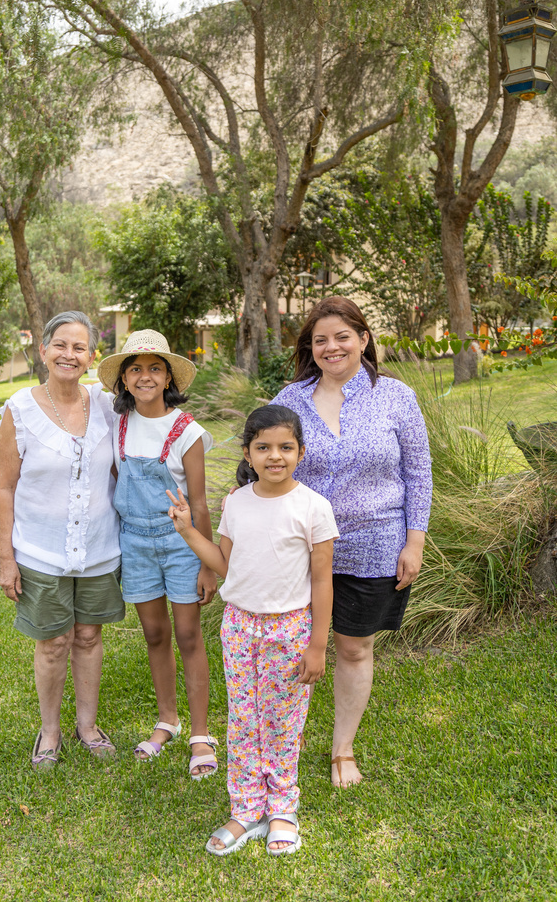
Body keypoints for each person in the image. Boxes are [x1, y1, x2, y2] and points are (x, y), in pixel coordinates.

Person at [272, 296, 432, 788]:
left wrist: (415, 542)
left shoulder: (396, 397)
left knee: (354, 647)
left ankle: (343, 749)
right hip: (300, 547)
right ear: (310, 348)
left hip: (377, 543)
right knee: (289, 642)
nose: (331, 347)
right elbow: (264, 466)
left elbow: (418, 472)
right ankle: (285, 740)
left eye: (342, 336)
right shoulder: (290, 399)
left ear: (363, 339)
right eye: (320, 340)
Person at [167, 404, 337, 857]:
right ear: (247, 452)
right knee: (244, 719)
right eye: (263, 447)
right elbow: (225, 565)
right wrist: (187, 531)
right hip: (239, 626)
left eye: (285, 447)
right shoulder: (236, 503)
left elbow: (322, 580)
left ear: (301, 451)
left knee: (283, 721)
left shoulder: (314, 508)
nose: (274, 456)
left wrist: (317, 643)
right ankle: (245, 808)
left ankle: (282, 808)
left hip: (290, 628)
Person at [0, 311, 124, 770]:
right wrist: (6, 558)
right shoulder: (19, 409)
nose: (70, 355)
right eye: (61, 345)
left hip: (100, 548)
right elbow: (5, 486)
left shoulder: (107, 406)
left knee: (89, 636)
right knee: (53, 641)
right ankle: (49, 731)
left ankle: (87, 727)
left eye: (80, 347)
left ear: (92, 357)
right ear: (44, 350)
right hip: (41, 550)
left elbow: (121, 471)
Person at [97, 329, 218, 779]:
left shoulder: (187, 431)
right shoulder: (118, 424)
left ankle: (201, 733)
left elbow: (201, 502)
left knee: (187, 635)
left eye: (154, 367)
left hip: (180, 542)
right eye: (135, 368)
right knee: (154, 633)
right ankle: (167, 719)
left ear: (168, 376)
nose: (145, 375)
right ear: (123, 380)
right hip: (135, 541)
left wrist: (208, 563)